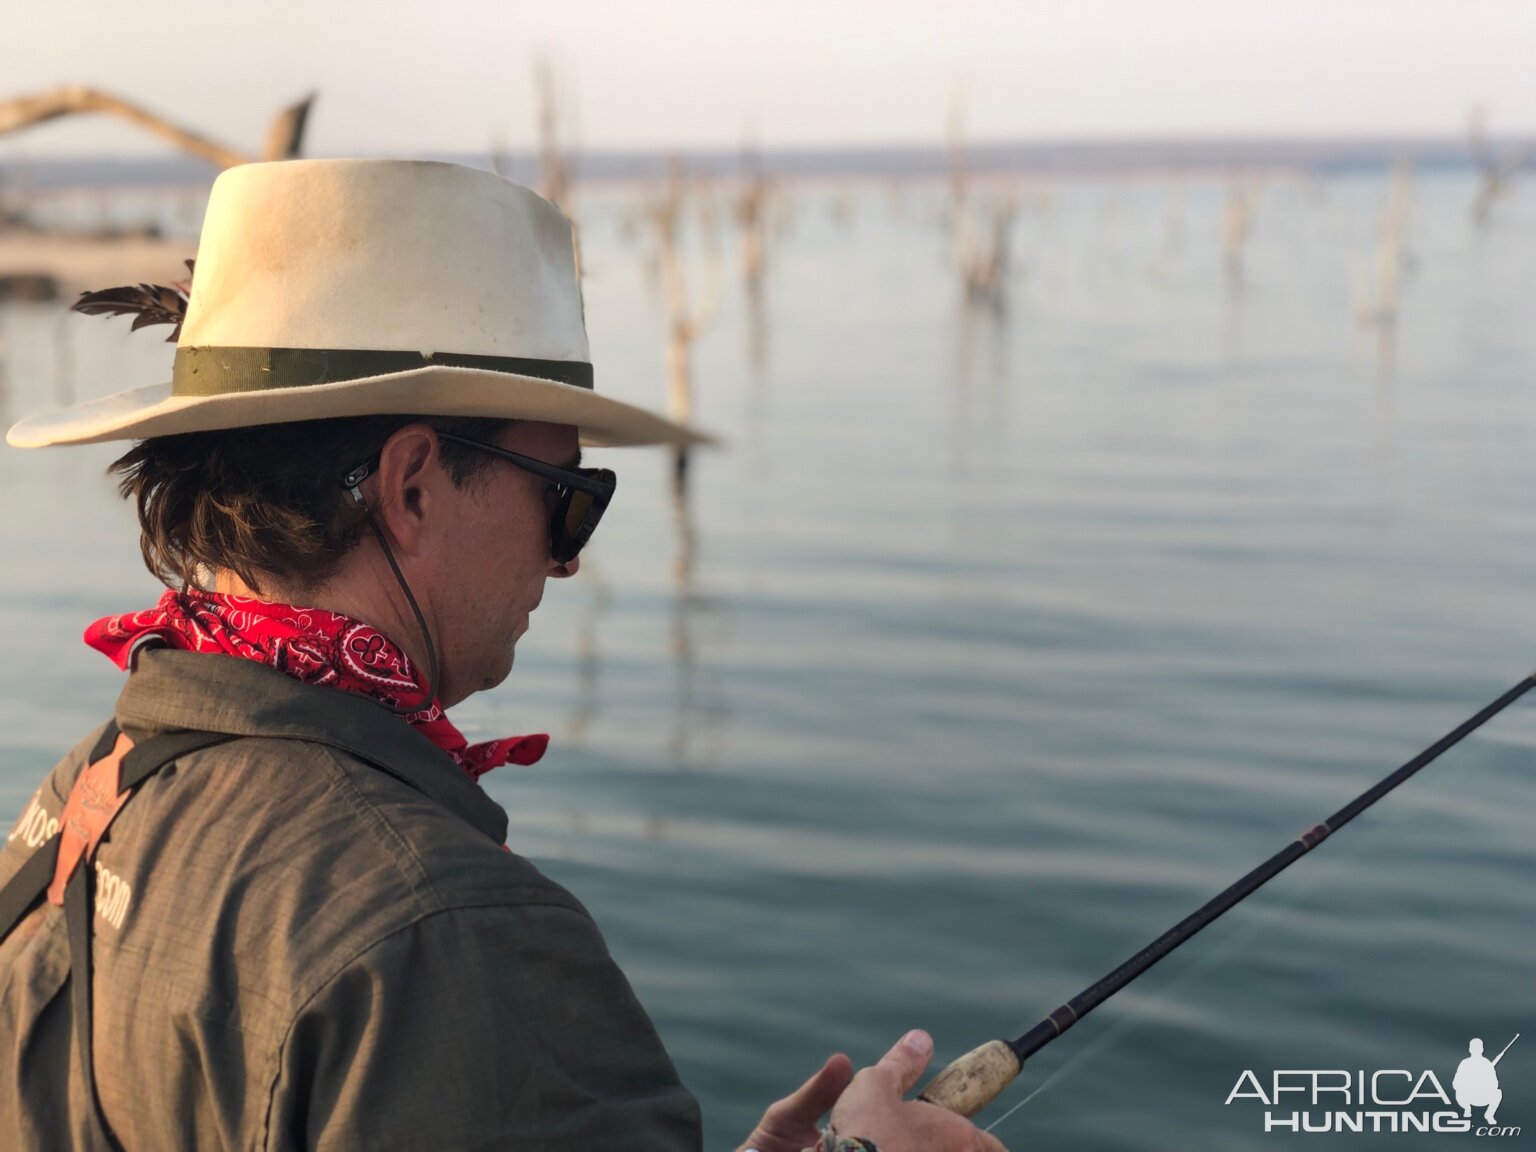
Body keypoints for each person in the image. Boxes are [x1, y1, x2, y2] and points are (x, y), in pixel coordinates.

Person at [0, 159, 1007, 1152]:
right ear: (413, 487)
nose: (565, 561)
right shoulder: (448, 935)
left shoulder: (85, 797)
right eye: (566, 496)